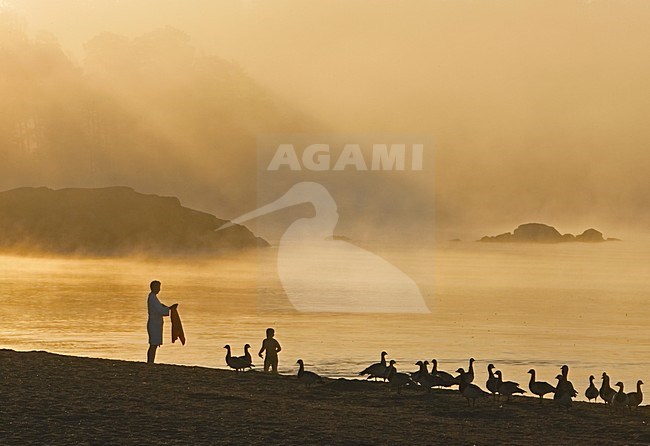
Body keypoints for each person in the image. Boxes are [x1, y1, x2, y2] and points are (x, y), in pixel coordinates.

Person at [147, 280, 177, 364]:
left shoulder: (153, 297)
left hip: (155, 323)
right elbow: (159, 311)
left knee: (154, 344)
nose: (159, 289)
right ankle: (150, 362)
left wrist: (166, 307)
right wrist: (170, 308)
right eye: (158, 287)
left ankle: (151, 362)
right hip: (154, 324)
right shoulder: (152, 297)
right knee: (153, 344)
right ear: (154, 287)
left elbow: (159, 307)